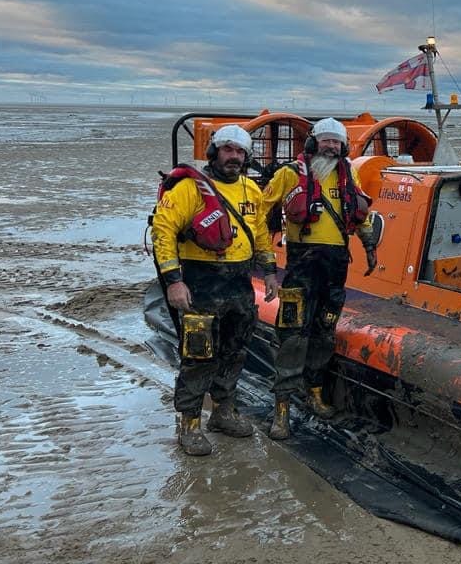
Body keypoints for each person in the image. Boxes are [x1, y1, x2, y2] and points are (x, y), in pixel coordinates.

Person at [151, 124, 278, 457]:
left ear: (247, 157)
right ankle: (189, 424)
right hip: (199, 284)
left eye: (240, 152)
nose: (234, 157)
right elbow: (163, 232)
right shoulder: (189, 189)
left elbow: (261, 234)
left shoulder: (252, 190)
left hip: (239, 285)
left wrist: (270, 273)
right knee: (198, 356)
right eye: (227, 150)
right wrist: (174, 281)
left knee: (235, 352)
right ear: (214, 152)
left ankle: (223, 412)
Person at [260, 117, 378, 440]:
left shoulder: (348, 174)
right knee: (292, 336)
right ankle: (281, 408)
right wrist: (266, 261)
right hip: (301, 269)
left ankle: (315, 392)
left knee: (324, 332)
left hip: (335, 268)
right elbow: (259, 211)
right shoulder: (289, 175)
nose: (330, 146)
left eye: (336, 142)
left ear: (343, 147)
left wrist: (369, 247)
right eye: (325, 140)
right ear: (312, 143)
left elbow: (359, 215)